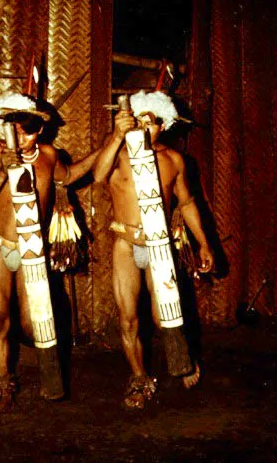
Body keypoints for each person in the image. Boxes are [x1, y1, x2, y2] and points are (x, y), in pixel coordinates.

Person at [0, 92, 101, 423]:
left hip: (34, 248)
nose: (21, 138)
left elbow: (69, 176)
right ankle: (2, 390)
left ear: (39, 131)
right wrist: (3, 171)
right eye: (13, 130)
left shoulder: (47, 155)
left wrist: (110, 144)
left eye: (27, 131)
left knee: (32, 324)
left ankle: (50, 380)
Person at [92, 90, 214, 409]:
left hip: (160, 243)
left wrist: (203, 243)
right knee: (128, 319)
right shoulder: (119, 153)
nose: (145, 128)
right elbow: (98, 175)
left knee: (165, 318)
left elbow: (186, 202)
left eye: (153, 122)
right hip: (125, 243)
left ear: (165, 125)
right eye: (139, 121)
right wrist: (117, 136)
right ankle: (138, 378)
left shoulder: (173, 160)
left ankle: (182, 358)